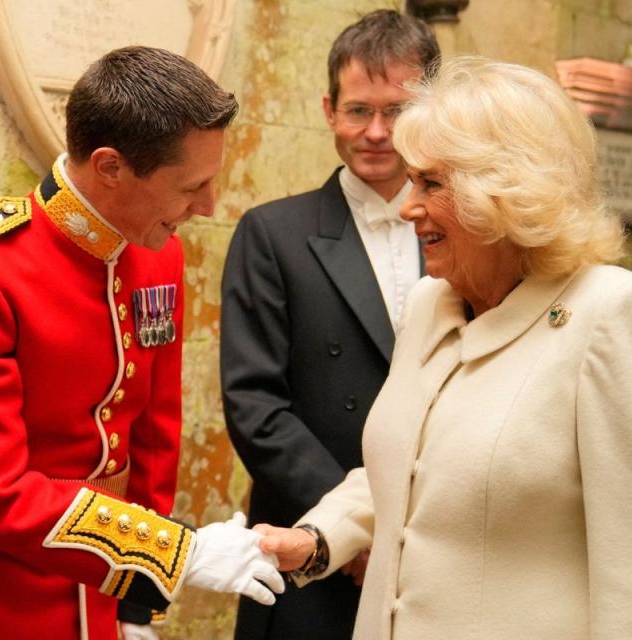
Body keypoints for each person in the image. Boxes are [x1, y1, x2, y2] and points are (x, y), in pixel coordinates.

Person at [257, 56, 632, 639]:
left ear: (509, 190)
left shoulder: (617, 315)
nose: (407, 205)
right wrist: (316, 539)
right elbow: (417, 464)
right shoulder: (429, 304)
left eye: (431, 183)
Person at [0, 46, 283, 640]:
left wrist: (136, 604)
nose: (208, 207)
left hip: (105, 596)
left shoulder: (158, 255)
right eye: (192, 186)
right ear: (109, 166)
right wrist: (170, 554)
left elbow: (152, 432)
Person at [219, 10, 439, 640]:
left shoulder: (469, 237)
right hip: (307, 546)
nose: (375, 132)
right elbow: (255, 406)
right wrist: (350, 534)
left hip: (433, 549)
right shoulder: (272, 234)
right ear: (328, 109)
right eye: (357, 110)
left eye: (396, 112)